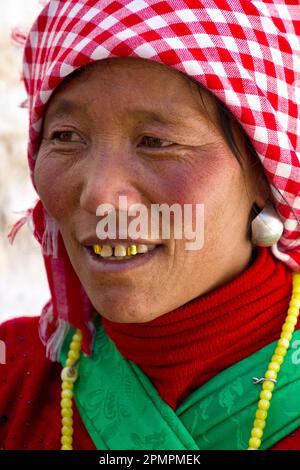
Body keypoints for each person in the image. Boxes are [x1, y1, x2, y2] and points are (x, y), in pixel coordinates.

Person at [0, 0, 299, 451]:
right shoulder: (15, 376)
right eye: (65, 137)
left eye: (156, 142)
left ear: (265, 174)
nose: (99, 196)